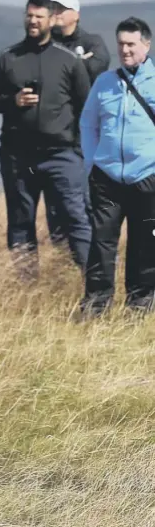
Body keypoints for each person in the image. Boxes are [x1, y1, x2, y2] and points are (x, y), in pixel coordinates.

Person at [0, 0, 92, 278]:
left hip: (61, 155)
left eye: (39, 16)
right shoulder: (7, 57)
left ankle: (91, 281)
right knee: (20, 222)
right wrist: (11, 101)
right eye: (29, 16)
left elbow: (86, 109)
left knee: (75, 218)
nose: (33, 21)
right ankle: (26, 285)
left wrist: (78, 149)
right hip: (18, 156)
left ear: (52, 20)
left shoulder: (69, 61)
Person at [80, 17, 155, 315]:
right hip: (106, 177)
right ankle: (95, 306)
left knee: (144, 246)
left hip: (147, 177)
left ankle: (139, 306)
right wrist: (91, 162)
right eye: (121, 44)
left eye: (131, 44)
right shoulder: (105, 82)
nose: (125, 50)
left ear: (146, 45)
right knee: (101, 243)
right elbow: (88, 124)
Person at [44, 0, 111, 245]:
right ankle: (62, 258)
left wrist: (65, 68)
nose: (56, 14)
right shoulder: (46, 45)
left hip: (84, 138)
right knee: (55, 204)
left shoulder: (93, 41)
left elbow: (97, 68)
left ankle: (98, 256)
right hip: (54, 136)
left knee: (85, 199)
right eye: (53, 9)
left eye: (61, 9)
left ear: (76, 14)